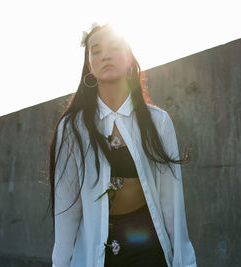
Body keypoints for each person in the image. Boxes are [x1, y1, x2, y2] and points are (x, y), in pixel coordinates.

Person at [48, 23, 197, 267]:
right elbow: (67, 208)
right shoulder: (72, 128)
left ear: (129, 59)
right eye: (96, 50)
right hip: (99, 250)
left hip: (148, 245)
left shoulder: (158, 122)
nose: (105, 55)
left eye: (114, 47)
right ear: (88, 64)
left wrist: (185, 263)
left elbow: (172, 203)